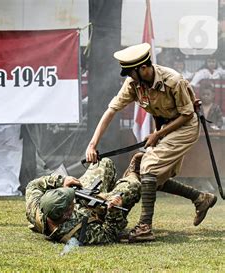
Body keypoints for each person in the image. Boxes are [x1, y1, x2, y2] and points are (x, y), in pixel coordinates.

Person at [85, 43, 217, 242]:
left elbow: (187, 114)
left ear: (143, 68)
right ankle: (200, 198)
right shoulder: (133, 84)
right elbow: (111, 111)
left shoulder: (173, 80)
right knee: (152, 176)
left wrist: (157, 134)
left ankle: (145, 227)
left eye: (131, 72)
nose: (129, 77)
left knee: (148, 166)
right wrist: (92, 144)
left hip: (185, 127)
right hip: (165, 128)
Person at [25, 154, 142, 245]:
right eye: (71, 201)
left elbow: (32, 185)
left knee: (104, 163)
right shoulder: (78, 233)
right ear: (68, 214)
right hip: (100, 212)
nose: (72, 200)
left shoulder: (35, 209)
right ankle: (133, 174)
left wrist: (61, 181)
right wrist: (114, 211)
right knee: (133, 186)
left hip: (84, 194)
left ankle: (111, 187)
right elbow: (109, 235)